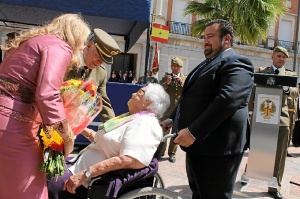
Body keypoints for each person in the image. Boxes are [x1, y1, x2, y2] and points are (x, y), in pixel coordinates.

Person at [160, 19, 254, 199]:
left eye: (210, 36)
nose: (205, 41)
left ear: (226, 39)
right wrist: (172, 119)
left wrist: (194, 131)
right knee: (199, 194)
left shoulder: (238, 62)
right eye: (204, 37)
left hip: (219, 150)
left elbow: (227, 100)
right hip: (198, 148)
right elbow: (190, 97)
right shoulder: (205, 63)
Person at [0, 13, 90, 199]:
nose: (82, 47)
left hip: (8, 122)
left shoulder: (34, 41)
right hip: (14, 127)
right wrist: (67, 136)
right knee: (32, 192)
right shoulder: (60, 47)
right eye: (83, 42)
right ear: (75, 35)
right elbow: (47, 94)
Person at [48, 83, 170, 198]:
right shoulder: (131, 118)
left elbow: (129, 160)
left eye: (139, 92)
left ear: (148, 102)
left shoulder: (146, 124)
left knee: (49, 182)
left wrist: (86, 174)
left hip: (88, 182)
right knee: (45, 170)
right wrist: (75, 125)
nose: (133, 94)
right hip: (78, 166)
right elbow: (101, 139)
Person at [248, 46, 298, 199]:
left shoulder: (289, 75)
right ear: (272, 56)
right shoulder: (263, 73)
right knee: (260, 149)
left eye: (284, 57)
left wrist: (288, 89)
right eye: (278, 56)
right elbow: (253, 91)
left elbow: (296, 91)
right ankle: (251, 174)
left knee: (279, 155)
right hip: (263, 117)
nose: (281, 59)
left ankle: (274, 186)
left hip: (282, 119)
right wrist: (250, 110)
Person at [65, 28, 121, 123]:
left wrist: (113, 126)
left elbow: (102, 101)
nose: (100, 62)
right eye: (99, 56)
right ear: (89, 45)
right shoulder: (68, 60)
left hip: (72, 124)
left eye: (104, 60)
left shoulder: (101, 73)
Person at [158, 57, 186, 163]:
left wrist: (182, 83)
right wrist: (167, 83)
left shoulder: (185, 78)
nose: (175, 68)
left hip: (178, 111)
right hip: (167, 111)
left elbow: (189, 91)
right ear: (171, 67)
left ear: (181, 68)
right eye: (173, 66)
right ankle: (160, 152)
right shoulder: (166, 77)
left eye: (177, 67)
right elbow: (159, 90)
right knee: (164, 133)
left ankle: (172, 154)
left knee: (175, 133)